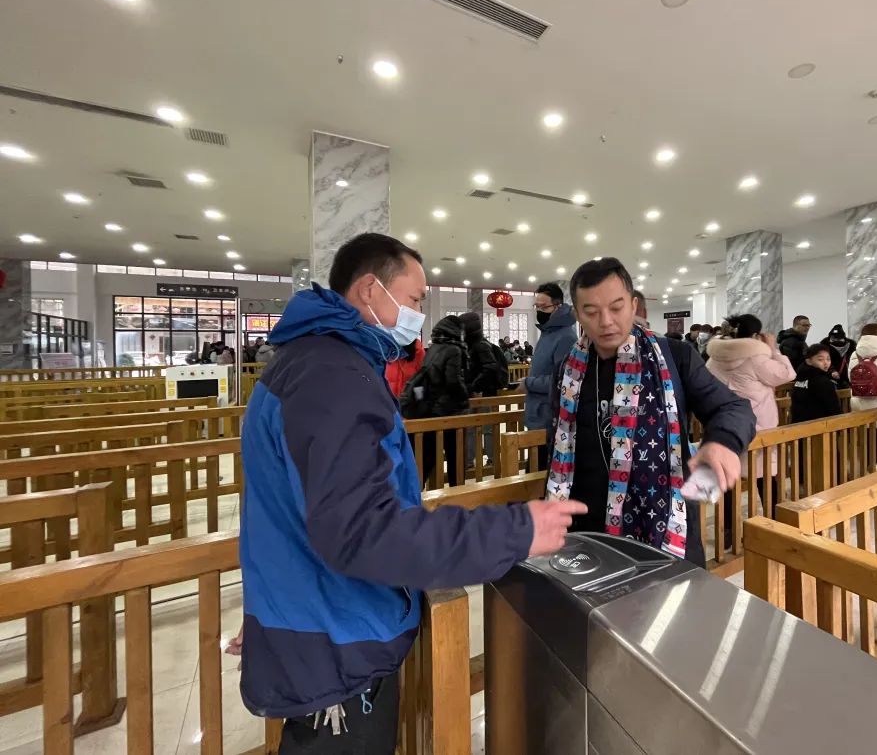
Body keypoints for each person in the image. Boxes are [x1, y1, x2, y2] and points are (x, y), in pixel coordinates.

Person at [238, 233, 585, 754]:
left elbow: (298, 507)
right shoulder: (331, 376)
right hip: (338, 640)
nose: (419, 313)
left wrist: (277, 610)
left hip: (315, 622)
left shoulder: (312, 362)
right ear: (370, 290)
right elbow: (364, 530)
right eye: (416, 298)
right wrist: (516, 530)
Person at [545, 258, 756, 566]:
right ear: (577, 314)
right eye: (591, 311)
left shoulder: (674, 356)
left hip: (664, 520)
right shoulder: (567, 370)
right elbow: (556, 445)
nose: (606, 321)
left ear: (633, 306)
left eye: (616, 307)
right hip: (586, 529)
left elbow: (732, 407)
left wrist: (723, 441)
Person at [706, 314, 796, 522]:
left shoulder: (714, 358)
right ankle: (773, 524)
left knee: (728, 478)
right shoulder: (756, 358)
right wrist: (773, 349)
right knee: (766, 476)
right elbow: (787, 374)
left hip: (725, 425)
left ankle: (728, 529)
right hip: (758, 426)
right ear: (755, 335)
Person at [415, 316, 470, 485]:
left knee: (428, 455)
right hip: (449, 411)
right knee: (455, 456)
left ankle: (416, 490)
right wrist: (464, 397)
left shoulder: (433, 348)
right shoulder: (453, 350)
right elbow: (453, 380)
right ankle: (457, 492)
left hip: (431, 410)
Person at [521, 282, 577, 433]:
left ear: (557, 306)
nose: (539, 311)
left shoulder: (566, 337)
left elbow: (562, 379)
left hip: (550, 417)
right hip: (537, 412)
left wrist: (529, 383)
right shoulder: (547, 332)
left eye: (544, 307)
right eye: (537, 307)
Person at [791, 343, 842, 422]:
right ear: (809, 361)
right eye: (820, 359)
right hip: (818, 425)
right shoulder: (822, 382)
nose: (826, 363)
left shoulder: (800, 377)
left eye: (828, 359)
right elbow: (834, 409)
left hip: (798, 424)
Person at [459, 312, 500, 396]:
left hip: (482, 393)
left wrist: (473, 387)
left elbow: (490, 368)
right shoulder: (474, 344)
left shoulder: (481, 345)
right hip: (479, 392)